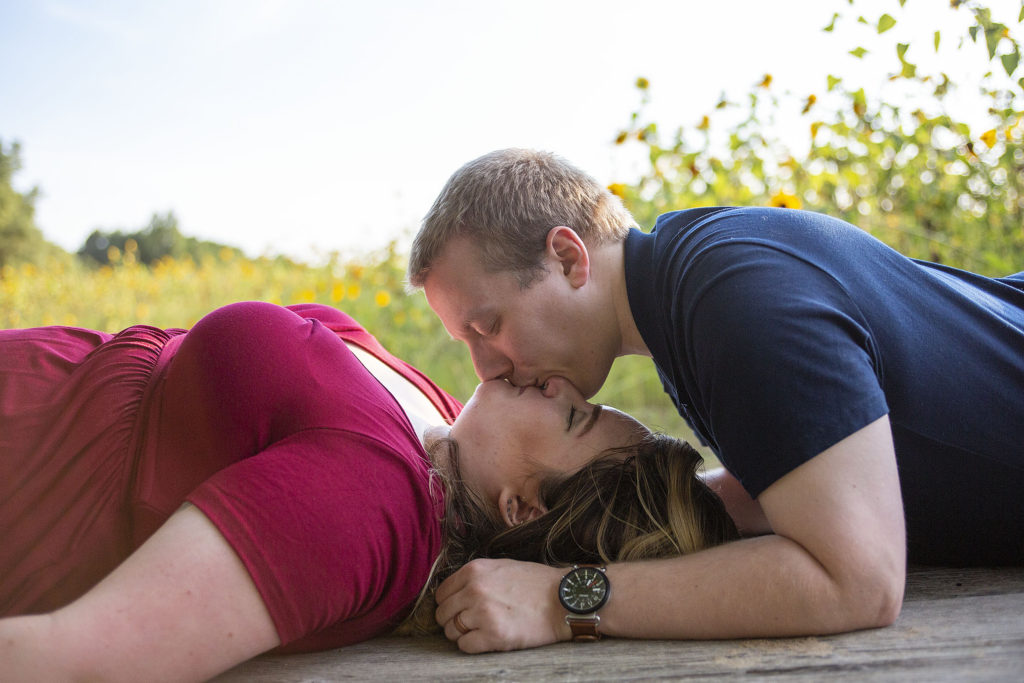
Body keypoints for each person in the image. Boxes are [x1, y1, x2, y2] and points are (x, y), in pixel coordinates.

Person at [407, 148, 1024, 653]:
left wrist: (561, 599)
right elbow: (791, 480)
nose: (486, 370)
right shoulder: (690, 279)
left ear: (568, 258)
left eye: (487, 327)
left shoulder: (736, 307)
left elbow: (857, 581)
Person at [0, 299, 735, 679]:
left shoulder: (365, 504)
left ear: (523, 504)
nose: (559, 380)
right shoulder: (453, 430)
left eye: (573, 415)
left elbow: (81, 661)